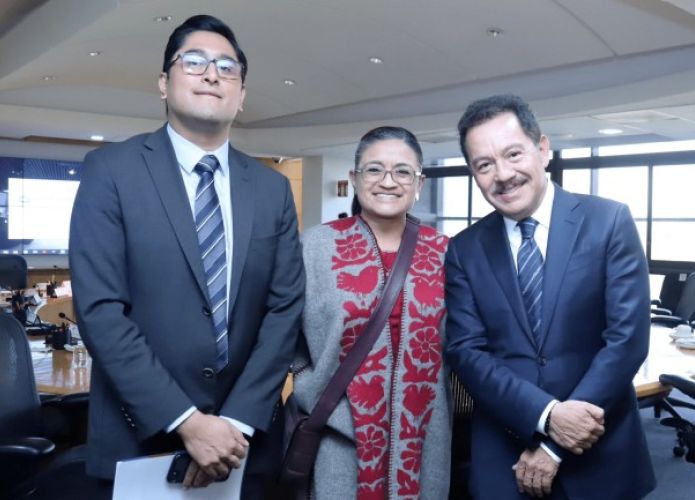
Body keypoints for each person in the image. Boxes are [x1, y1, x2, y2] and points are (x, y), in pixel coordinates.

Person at [69, 14, 304, 498]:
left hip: (245, 446)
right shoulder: (110, 171)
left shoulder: (272, 189)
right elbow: (100, 311)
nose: (212, 74)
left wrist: (232, 424)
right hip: (142, 438)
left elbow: (283, 310)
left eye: (227, 67)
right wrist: (188, 422)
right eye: (193, 61)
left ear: (241, 94)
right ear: (164, 83)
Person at [445, 94, 655, 499]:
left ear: (542, 149)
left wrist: (556, 441)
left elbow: (627, 340)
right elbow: (466, 351)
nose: (502, 175)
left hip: (601, 450)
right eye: (484, 165)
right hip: (504, 452)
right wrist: (546, 416)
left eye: (513, 154)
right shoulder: (463, 249)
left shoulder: (608, 221)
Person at [292, 126, 452, 499]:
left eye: (402, 172)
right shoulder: (315, 246)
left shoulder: (444, 252)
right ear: (354, 178)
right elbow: (284, 334)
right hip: (337, 435)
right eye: (374, 169)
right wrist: (307, 384)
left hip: (424, 438)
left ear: (419, 184)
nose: (388, 182)